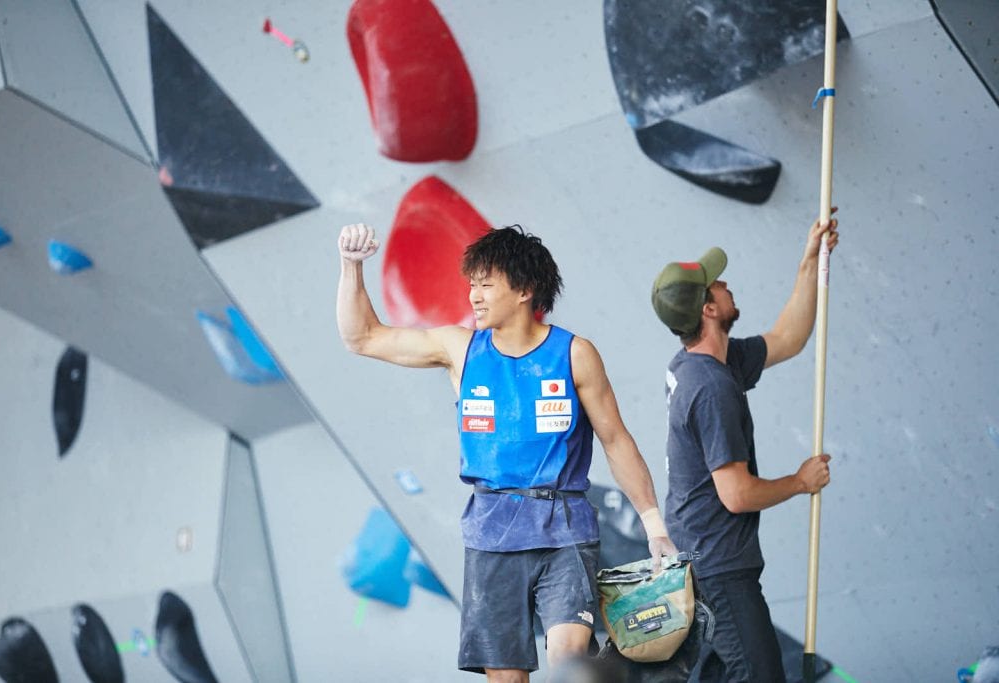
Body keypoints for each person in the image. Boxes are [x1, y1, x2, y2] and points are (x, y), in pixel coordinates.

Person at [337, 222, 676, 682]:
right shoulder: (459, 348)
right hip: (490, 532)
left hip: (565, 527)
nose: (473, 296)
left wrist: (654, 526)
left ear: (524, 289)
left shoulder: (575, 353)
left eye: (485, 285)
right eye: (471, 285)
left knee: (569, 657)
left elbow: (616, 440)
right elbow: (362, 338)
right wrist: (351, 265)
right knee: (506, 677)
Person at [650, 214, 839, 683]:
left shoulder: (702, 363)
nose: (726, 283)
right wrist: (800, 482)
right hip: (720, 571)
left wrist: (810, 262)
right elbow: (735, 494)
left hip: (703, 561)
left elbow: (787, 339)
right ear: (709, 310)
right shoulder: (711, 387)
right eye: (716, 284)